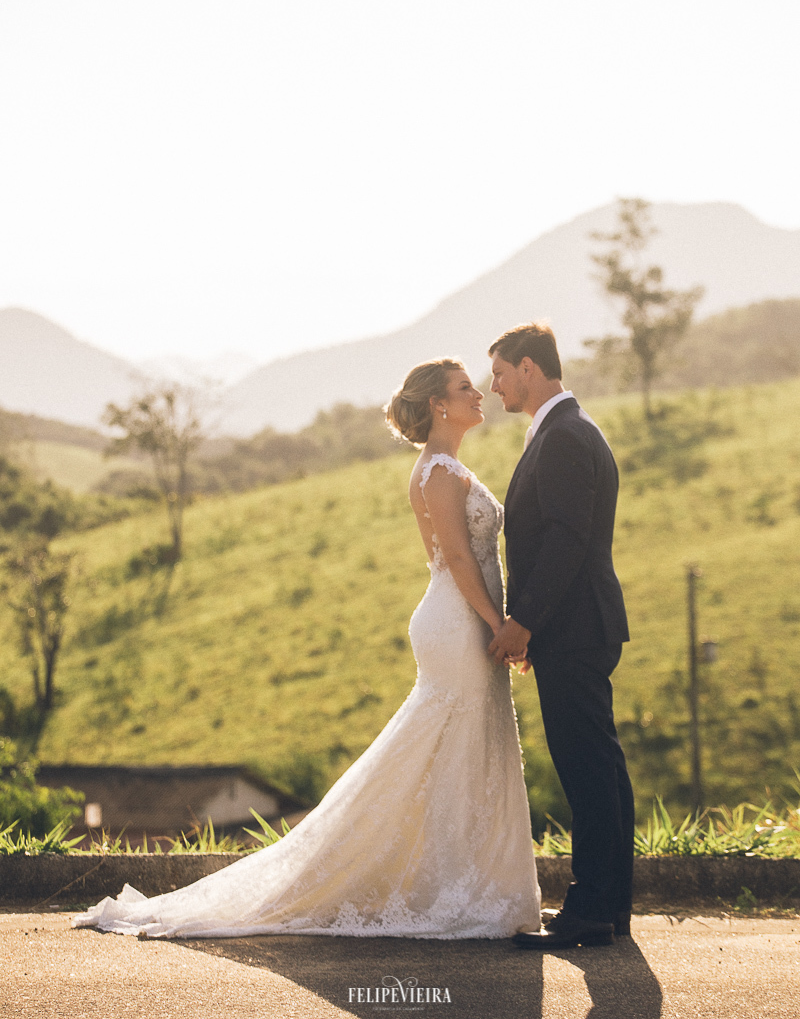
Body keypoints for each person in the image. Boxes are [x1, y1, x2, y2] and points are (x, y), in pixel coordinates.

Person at [73, 358, 540, 939]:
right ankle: (453, 889)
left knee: (462, 750)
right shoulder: (440, 472)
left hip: (461, 620)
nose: (479, 393)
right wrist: (498, 625)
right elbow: (460, 560)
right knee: (449, 748)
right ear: (439, 405)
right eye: (465, 386)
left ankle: (474, 885)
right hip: (461, 623)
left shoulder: (444, 468)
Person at [486, 323, 634, 950]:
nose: (494, 387)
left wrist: (524, 621)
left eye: (499, 374)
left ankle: (591, 910)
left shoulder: (566, 435)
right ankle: (607, 907)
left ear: (528, 367)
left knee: (587, 769)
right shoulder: (562, 429)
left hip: (575, 626)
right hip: (575, 626)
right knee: (598, 766)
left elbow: (566, 540)